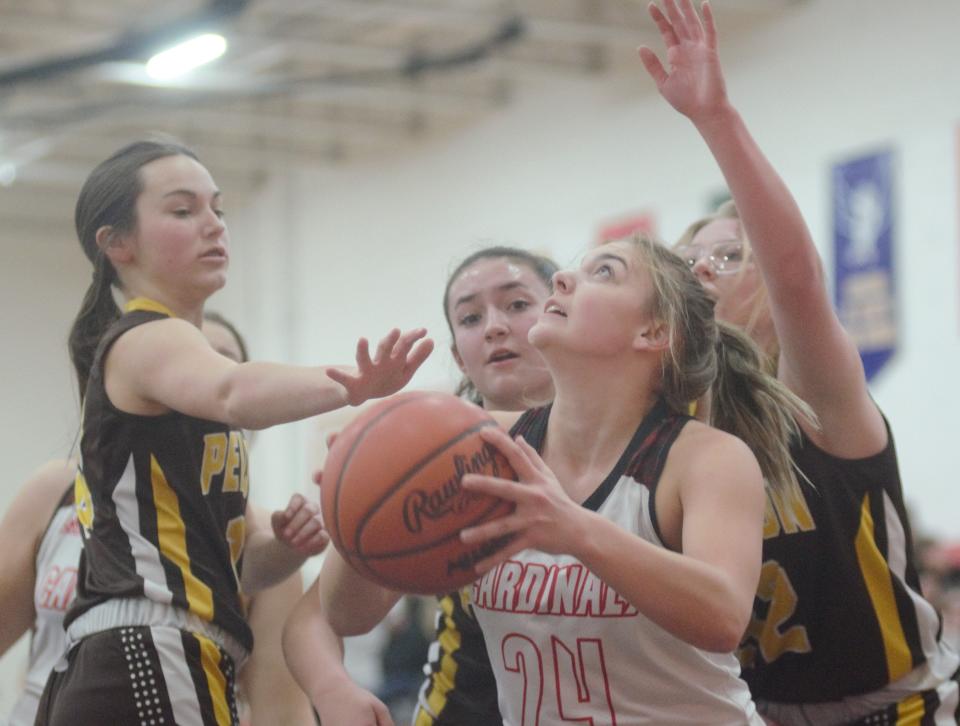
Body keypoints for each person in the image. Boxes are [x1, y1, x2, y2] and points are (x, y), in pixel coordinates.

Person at [288, 232, 816, 724]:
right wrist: (354, 503)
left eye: (603, 272)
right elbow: (344, 613)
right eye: (569, 271)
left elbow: (723, 615)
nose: (563, 280)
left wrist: (575, 529)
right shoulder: (478, 445)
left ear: (654, 331)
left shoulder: (705, 458)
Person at [33, 139, 433, 726]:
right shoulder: (144, 336)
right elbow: (234, 391)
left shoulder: (181, 393)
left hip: (172, 648)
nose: (213, 225)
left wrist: (285, 551)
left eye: (217, 208)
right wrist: (352, 384)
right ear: (117, 243)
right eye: (182, 210)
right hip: (146, 645)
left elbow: (230, 568)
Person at [639, 1, 960, 722]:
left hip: (888, 705)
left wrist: (714, 117)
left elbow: (796, 274)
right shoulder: (666, 425)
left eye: (728, 254)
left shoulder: (814, 391)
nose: (703, 270)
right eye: (688, 261)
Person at [283, 245, 557, 726]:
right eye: (470, 318)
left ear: (561, 315)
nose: (494, 326)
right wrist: (332, 688)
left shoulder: (622, 438)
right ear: (458, 356)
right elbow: (317, 618)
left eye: (516, 304)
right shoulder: (438, 456)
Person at [0, 311, 315, 726]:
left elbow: (284, 715)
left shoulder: (269, 542)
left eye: (221, 361)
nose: (201, 373)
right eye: (186, 361)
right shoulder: (56, 489)